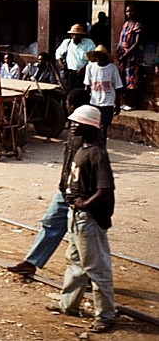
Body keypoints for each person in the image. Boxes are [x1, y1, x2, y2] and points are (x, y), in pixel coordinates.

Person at [48, 105, 116, 334]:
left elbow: (105, 188)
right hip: (76, 216)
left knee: (97, 268)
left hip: (88, 218)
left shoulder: (97, 153)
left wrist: (85, 204)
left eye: (77, 123)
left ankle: (105, 316)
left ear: (90, 126)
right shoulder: (82, 148)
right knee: (75, 261)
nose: (72, 125)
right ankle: (68, 305)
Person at [8, 88, 90, 276]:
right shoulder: (74, 127)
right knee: (51, 223)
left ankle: (87, 277)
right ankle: (32, 262)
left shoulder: (87, 133)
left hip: (80, 193)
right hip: (66, 188)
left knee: (82, 237)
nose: (67, 107)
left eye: (69, 104)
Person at [84, 45, 123, 141]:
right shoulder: (90, 67)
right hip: (94, 102)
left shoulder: (112, 68)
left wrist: (117, 105)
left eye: (102, 56)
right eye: (97, 56)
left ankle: (102, 146)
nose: (99, 58)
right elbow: (87, 86)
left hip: (107, 103)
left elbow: (118, 87)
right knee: (92, 126)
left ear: (105, 57)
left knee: (103, 128)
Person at [115, 4, 142, 111]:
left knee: (132, 80)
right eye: (127, 11)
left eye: (131, 11)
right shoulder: (125, 24)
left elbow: (137, 42)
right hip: (123, 56)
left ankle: (132, 103)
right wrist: (118, 48)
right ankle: (125, 102)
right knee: (122, 79)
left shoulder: (137, 25)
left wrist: (126, 54)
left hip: (132, 57)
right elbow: (121, 39)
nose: (129, 13)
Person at [56, 24, 96, 91]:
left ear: (81, 35)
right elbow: (58, 53)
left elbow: (93, 58)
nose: (75, 37)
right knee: (69, 92)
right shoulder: (67, 43)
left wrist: (84, 68)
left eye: (78, 35)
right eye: (73, 35)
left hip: (84, 73)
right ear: (71, 35)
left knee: (82, 92)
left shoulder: (89, 43)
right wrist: (61, 63)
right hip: (70, 73)